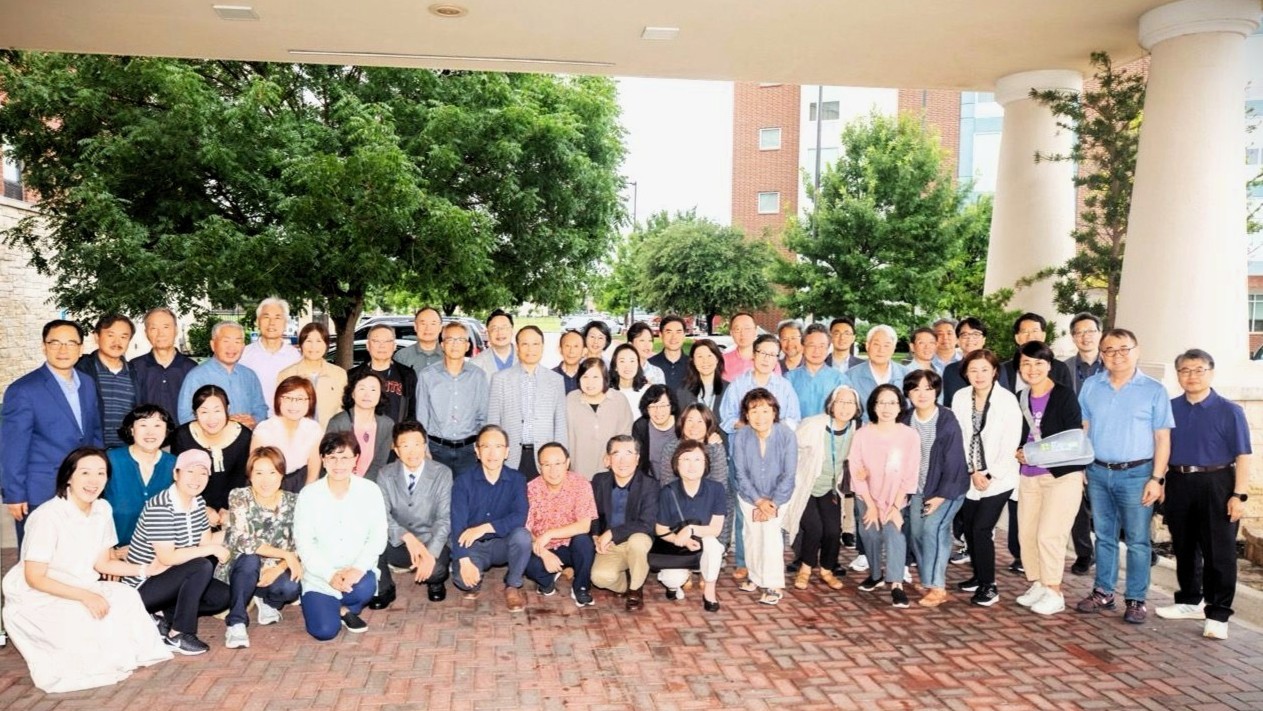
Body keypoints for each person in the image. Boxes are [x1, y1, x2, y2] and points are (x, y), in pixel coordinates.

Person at [1, 447, 172, 693]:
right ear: (69, 477)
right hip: (42, 593)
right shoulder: (47, 516)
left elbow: (103, 564)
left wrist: (147, 569)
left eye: (101, 473)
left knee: (126, 596)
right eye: (85, 473)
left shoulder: (102, 509)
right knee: (84, 619)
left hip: (83, 583)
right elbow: (34, 577)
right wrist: (85, 596)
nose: (94, 481)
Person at [1074, 328, 1173, 625]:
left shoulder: (1154, 390)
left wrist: (1157, 478)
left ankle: (1136, 599)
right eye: (1109, 350)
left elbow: (1162, 438)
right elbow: (1084, 428)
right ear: (1101, 355)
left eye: (1123, 349)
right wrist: (1081, 466)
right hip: (1098, 471)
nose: (1116, 355)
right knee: (1104, 536)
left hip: (1137, 475)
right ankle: (1103, 592)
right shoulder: (1091, 385)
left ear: (1136, 350)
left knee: (1138, 540)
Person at [1156, 349, 1252, 640]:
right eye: (1185, 370)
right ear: (1178, 375)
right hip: (1179, 481)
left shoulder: (1229, 410)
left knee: (1219, 552)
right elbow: (1161, 447)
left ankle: (1218, 613)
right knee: (1184, 546)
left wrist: (1239, 495)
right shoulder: (1170, 408)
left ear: (1211, 372)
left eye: (1199, 370)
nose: (1192, 376)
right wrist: (1160, 481)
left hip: (1217, 482)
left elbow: (1243, 455)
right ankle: (1189, 600)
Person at [1, 319, 104, 544]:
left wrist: (97, 476)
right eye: (55, 343)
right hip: (40, 491)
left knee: (76, 551)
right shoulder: (23, 390)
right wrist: (14, 494)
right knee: (39, 554)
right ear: (44, 346)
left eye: (71, 343)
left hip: (81, 488)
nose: (63, 350)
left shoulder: (87, 383)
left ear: (81, 348)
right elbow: (12, 448)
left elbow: (94, 432)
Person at [124, 449, 232, 656]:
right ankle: (179, 634)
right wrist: (211, 549)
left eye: (203, 473)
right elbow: (168, 557)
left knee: (223, 596)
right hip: (143, 585)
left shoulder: (198, 502)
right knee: (201, 565)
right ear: (176, 474)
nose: (196, 478)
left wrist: (236, 530)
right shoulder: (161, 506)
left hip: (171, 578)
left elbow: (206, 541)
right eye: (190, 471)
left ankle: (160, 615)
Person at [1010, 341, 1085, 616]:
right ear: (1019, 368)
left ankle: (1054, 591)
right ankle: (1039, 583)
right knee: (1027, 533)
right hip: (1029, 476)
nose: (1032, 369)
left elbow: (1073, 437)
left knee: (1049, 534)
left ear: (1049, 366)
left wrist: (1034, 452)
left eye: (1039, 363)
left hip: (1061, 476)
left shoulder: (1064, 395)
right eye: (1026, 363)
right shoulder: (1020, 397)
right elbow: (1016, 434)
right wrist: (1019, 450)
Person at [293, 432, 388, 640]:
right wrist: (329, 575)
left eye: (345, 457)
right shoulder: (309, 495)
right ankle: (336, 609)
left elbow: (378, 537)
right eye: (332, 457)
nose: (338, 464)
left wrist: (358, 568)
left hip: (355, 573)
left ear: (356, 459)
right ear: (323, 459)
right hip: (320, 575)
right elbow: (304, 544)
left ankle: (345, 607)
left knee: (364, 589)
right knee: (324, 631)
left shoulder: (370, 490)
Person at [951, 348, 1022, 607]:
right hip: (971, 476)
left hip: (999, 478)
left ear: (994, 372)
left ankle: (989, 586)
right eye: (973, 370)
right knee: (969, 528)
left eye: (984, 369)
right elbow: (958, 436)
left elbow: (1010, 443)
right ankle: (978, 575)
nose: (979, 375)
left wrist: (989, 474)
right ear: (966, 373)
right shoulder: (960, 397)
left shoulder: (1007, 400)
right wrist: (972, 471)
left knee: (981, 528)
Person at [218, 446, 302, 649]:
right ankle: (236, 622)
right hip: (240, 565)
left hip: (274, 567)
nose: (266, 480)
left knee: (291, 588)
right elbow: (242, 540)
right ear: (250, 475)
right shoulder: (239, 496)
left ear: (281, 474)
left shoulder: (294, 502)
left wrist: (280, 567)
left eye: (272, 472)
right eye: (259, 473)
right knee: (250, 559)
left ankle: (266, 601)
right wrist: (286, 555)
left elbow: (301, 542)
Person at [899, 370, 968, 607]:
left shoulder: (947, 419)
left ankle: (938, 587)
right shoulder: (905, 419)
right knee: (917, 533)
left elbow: (954, 461)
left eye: (928, 388)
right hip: (918, 488)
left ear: (936, 391)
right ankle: (928, 580)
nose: (922, 394)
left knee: (934, 529)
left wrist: (941, 496)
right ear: (908, 393)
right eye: (916, 388)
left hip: (948, 488)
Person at [848, 384, 920, 608]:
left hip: (896, 497)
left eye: (892, 403)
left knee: (894, 532)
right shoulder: (862, 435)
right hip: (868, 496)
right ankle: (875, 574)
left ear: (900, 407)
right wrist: (870, 505)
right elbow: (856, 469)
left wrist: (896, 507)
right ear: (873, 406)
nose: (887, 408)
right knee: (869, 533)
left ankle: (896, 584)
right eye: (881, 402)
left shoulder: (909, 436)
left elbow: (910, 474)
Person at [448, 425, 532, 612]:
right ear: (477, 451)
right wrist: (463, 560)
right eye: (486, 447)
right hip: (474, 545)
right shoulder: (463, 481)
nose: (492, 453)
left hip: (503, 543)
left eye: (498, 447)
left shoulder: (517, 479)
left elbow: (519, 517)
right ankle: (474, 577)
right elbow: (457, 524)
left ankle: (513, 585)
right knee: (464, 581)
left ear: (506, 452)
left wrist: (484, 527)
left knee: (523, 536)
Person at [370, 421, 453, 609]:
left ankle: (435, 582)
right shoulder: (385, 474)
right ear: (396, 450)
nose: (412, 451)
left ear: (425, 446)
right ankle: (384, 587)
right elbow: (382, 515)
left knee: (436, 571)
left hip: (429, 540)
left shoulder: (442, 473)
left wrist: (430, 554)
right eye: (405, 446)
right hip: (398, 542)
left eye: (417, 444)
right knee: (372, 542)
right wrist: (406, 536)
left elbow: (444, 518)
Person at [787, 384, 860, 592]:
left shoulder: (855, 428)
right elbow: (791, 448)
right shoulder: (814, 424)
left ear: (856, 407)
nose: (845, 407)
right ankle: (805, 569)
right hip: (806, 486)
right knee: (814, 528)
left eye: (850, 403)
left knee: (833, 530)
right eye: (840, 401)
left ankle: (826, 570)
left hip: (830, 487)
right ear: (831, 404)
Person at [731, 388, 797, 606]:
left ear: (774, 412)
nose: (760, 417)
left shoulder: (786, 435)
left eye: (765, 411)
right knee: (751, 535)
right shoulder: (741, 436)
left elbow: (789, 474)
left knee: (769, 536)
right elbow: (740, 473)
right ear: (746, 414)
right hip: (750, 497)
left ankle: (773, 584)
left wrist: (772, 503)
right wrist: (758, 501)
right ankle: (755, 576)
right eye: (754, 411)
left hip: (779, 497)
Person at [487, 325, 568, 480]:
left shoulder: (555, 380)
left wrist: (560, 459)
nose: (530, 349)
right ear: (517, 347)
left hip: (545, 458)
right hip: (510, 456)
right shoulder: (500, 379)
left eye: (535, 344)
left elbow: (560, 425)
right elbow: (493, 422)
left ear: (542, 347)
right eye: (525, 344)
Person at [654, 439, 726, 612]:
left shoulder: (716, 489)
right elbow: (660, 530)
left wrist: (691, 529)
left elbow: (716, 529)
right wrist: (680, 540)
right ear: (676, 464)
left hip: (704, 540)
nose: (691, 465)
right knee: (671, 579)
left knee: (714, 546)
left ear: (705, 464)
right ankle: (675, 585)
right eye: (686, 459)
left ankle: (709, 591)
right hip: (677, 546)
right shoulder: (668, 492)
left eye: (697, 459)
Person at [524, 442, 599, 606]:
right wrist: (544, 553)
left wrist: (550, 534)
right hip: (543, 546)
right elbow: (526, 529)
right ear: (540, 467)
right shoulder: (531, 489)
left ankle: (581, 588)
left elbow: (584, 525)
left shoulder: (581, 484)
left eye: (558, 463)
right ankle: (548, 581)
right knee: (527, 563)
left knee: (584, 541)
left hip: (571, 545)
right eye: (547, 465)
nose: (553, 470)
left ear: (567, 463)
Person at [590, 435, 660, 610]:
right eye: (616, 454)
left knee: (638, 541)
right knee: (599, 578)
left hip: (636, 541)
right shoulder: (599, 481)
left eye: (628, 453)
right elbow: (593, 514)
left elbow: (647, 523)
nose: (622, 461)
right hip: (611, 544)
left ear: (637, 459)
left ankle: (636, 589)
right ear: (608, 459)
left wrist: (612, 533)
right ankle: (625, 585)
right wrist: (595, 535)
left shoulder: (649, 485)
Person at [415, 320, 489, 477]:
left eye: (460, 340)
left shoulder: (478, 376)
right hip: (436, 449)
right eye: (450, 339)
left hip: (469, 451)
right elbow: (422, 417)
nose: (455, 344)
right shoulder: (427, 375)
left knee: (466, 492)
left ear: (467, 346)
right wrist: (424, 448)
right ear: (442, 344)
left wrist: (481, 447)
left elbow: (483, 416)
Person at [171, 384, 252, 524]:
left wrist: (229, 508)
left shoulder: (243, 436)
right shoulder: (182, 436)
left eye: (217, 411)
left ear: (227, 409)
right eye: (204, 412)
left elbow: (241, 478)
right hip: (192, 504)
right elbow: (179, 479)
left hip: (232, 506)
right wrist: (202, 507)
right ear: (195, 413)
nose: (211, 419)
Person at [1064, 312, 1104, 576]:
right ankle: (1084, 553)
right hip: (1073, 442)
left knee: (1105, 501)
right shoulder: (1063, 368)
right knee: (1076, 502)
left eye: (1090, 331)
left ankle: (1110, 550)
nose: (1085, 337)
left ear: (1100, 333)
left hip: (1105, 441)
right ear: (1073, 337)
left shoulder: (1113, 365)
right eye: (1079, 332)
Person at [104, 404, 177, 547]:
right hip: (112, 550)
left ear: (166, 431)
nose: (150, 432)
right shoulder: (110, 460)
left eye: (157, 425)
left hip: (159, 552)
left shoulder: (175, 465)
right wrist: (109, 550)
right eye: (143, 425)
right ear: (132, 429)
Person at [176, 321, 268, 427]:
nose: (231, 347)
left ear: (243, 346)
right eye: (226, 341)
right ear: (213, 345)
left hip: (247, 436)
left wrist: (254, 420)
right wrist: (219, 427)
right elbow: (185, 416)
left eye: (237, 342)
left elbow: (261, 408)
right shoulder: (196, 377)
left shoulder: (250, 375)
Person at [75, 314, 139, 449]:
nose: (117, 342)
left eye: (124, 337)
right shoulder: (80, 370)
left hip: (126, 451)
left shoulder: (136, 373)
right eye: (111, 335)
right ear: (96, 337)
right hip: (89, 450)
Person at [250, 375, 324, 491]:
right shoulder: (264, 429)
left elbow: (313, 472)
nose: (293, 404)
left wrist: (307, 494)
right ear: (278, 400)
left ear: (310, 402)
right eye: (287, 398)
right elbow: (255, 470)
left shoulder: (314, 429)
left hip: (301, 481)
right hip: (269, 483)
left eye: (300, 399)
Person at [565, 358, 634, 479]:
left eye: (595, 377)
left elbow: (626, 435)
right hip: (578, 471)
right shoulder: (571, 400)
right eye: (585, 377)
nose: (590, 382)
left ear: (605, 378)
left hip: (612, 471)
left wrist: (613, 455)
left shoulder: (619, 400)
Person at [720, 334, 802, 433]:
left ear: (777, 359)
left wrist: (771, 428)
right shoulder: (737, 385)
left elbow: (794, 420)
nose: (766, 359)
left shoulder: (785, 387)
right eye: (762, 353)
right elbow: (727, 420)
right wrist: (752, 426)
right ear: (754, 354)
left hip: (776, 440)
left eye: (772, 354)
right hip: (745, 440)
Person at [132, 307, 198, 423]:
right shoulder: (135, 367)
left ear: (176, 330)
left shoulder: (192, 368)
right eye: (153, 328)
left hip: (182, 433)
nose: (160, 333)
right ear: (146, 333)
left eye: (166, 327)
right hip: (146, 433)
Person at [327, 371, 395, 481]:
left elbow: (379, 463)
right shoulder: (338, 422)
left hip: (370, 484)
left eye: (373, 390)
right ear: (352, 394)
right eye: (362, 389)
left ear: (380, 395)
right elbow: (330, 460)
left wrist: (363, 486)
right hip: (339, 481)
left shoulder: (387, 425)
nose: (367, 394)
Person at [278, 321, 348, 427]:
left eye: (319, 341)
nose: (313, 346)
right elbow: (281, 411)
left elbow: (342, 410)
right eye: (308, 341)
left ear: (326, 344)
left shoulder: (339, 374)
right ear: (301, 344)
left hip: (331, 434)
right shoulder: (286, 375)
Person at [239, 297, 301, 415]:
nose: (272, 323)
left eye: (277, 317)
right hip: (252, 421)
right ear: (257, 322)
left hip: (285, 420)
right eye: (266, 317)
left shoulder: (295, 357)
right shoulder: (243, 355)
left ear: (285, 323)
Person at [346, 324, 416, 424]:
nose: (382, 346)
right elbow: (347, 408)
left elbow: (412, 411)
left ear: (394, 346)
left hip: (396, 432)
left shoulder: (407, 375)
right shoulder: (353, 375)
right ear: (368, 345)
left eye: (387, 341)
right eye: (376, 341)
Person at [845, 325, 908, 422]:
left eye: (886, 345)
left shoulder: (906, 374)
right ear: (867, 346)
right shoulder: (850, 376)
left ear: (894, 348)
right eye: (876, 344)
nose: (881, 350)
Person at [997, 313, 1072, 393]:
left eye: (1035, 331)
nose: (1030, 336)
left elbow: (1067, 396)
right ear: (1017, 338)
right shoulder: (1003, 370)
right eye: (1025, 332)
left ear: (1043, 336)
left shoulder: (1060, 368)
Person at [657, 404, 728, 488]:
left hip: (711, 495)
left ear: (708, 424)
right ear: (682, 423)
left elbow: (720, 485)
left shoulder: (715, 448)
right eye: (689, 420)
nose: (694, 426)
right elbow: (667, 483)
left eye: (700, 421)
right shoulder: (671, 448)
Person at [786, 324, 846, 417]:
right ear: (803, 348)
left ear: (828, 349)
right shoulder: (789, 379)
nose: (816, 351)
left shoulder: (840, 380)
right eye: (811, 345)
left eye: (822, 346)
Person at [632, 384, 679, 481]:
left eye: (663, 405)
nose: (658, 411)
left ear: (671, 406)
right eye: (653, 406)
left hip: (680, 481)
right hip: (652, 481)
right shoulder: (641, 426)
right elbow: (638, 461)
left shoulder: (682, 423)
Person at [940, 317, 989, 406]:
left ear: (983, 340)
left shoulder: (996, 368)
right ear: (958, 340)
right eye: (965, 335)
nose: (970, 339)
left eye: (976, 334)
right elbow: (947, 405)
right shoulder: (950, 370)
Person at [678, 338, 727, 412]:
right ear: (693, 361)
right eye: (700, 357)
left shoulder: (729, 389)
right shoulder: (683, 391)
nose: (705, 361)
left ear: (717, 359)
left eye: (709, 356)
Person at [393, 306, 445, 374]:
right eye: (423, 324)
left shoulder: (449, 355)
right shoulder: (401, 356)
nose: (428, 328)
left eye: (433, 324)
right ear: (415, 327)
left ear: (440, 327)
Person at [471, 309, 517, 377]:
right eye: (494, 329)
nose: (500, 332)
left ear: (512, 331)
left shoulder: (529, 357)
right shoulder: (475, 364)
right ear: (487, 333)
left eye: (504, 327)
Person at [648, 315, 689, 389]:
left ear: (684, 335)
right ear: (661, 335)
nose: (674, 337)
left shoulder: (693, 365)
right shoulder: (649, 365)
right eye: (669, 332)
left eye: (678, 332)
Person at [610, 342, 651, 415]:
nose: (627, 366)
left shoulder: (647, 391)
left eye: (632, 361)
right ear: (615, 366)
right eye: (622, 361)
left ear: (638, 365)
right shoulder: (607, 392)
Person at [721, 312, 759, 382]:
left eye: (747, 328)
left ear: (755, 332)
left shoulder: (768, 358)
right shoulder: (722, 360)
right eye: (737, 329)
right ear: (731, 333)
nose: (742, 333)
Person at [554, 329, 586, 393]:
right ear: (560, 349)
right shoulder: (550, 376)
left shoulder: (589, 376)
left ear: (584, 351)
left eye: (576, 346)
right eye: (567, 346)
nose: (571, 351)